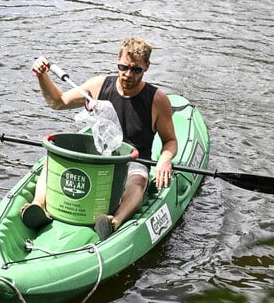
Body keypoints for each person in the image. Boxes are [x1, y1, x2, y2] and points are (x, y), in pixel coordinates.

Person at [22, 37, 178, 240]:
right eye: (123, 67)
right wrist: (42, 76)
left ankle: (114, 222)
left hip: (134, 161)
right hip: (99, 155)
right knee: (51, 160)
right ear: (118, 60)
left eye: (136, 70)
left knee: (139, 180)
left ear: (147, 66)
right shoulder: (98, 86)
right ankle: (38, 206)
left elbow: (170, 141)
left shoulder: (157, 100)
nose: (128, 74)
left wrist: (165, 160)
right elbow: (58, 102)